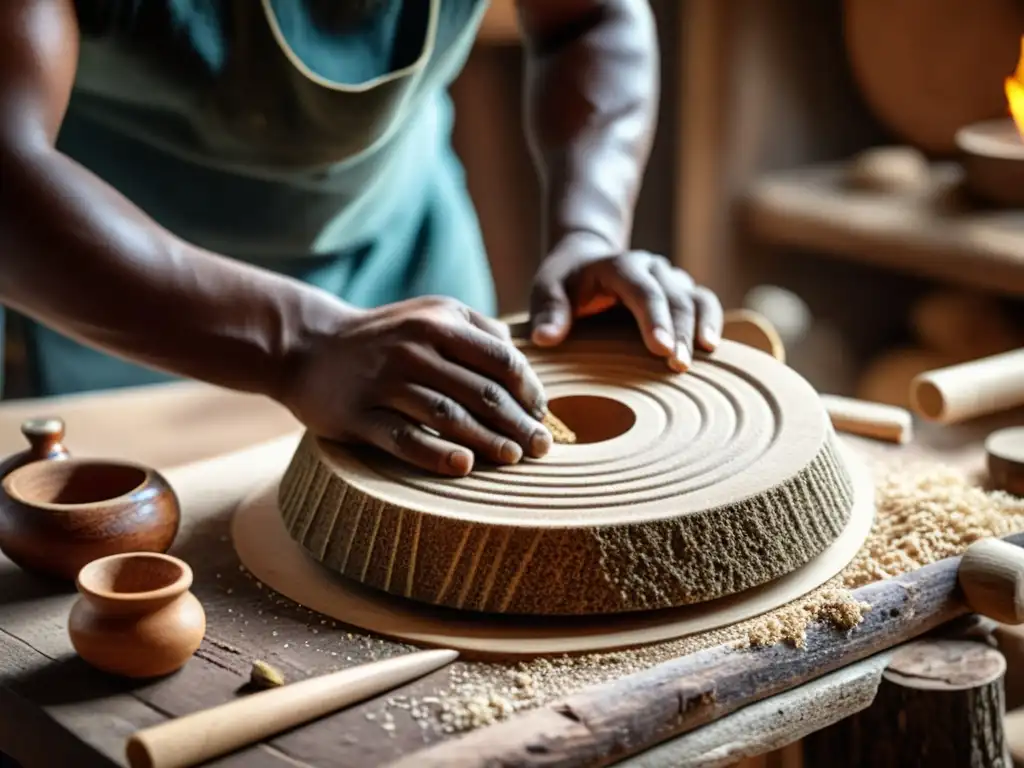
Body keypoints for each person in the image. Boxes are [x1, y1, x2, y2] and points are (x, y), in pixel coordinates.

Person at [0, 0, 723, 478]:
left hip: (403, 253)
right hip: (119, 302)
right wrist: (298, 345)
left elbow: (586, 20)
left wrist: (588, 232)